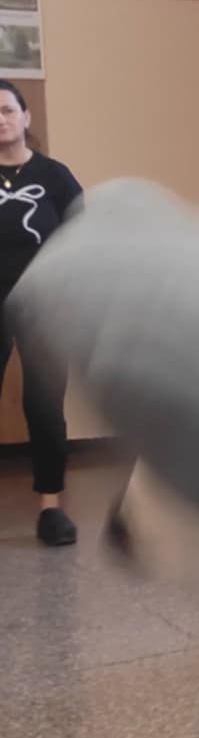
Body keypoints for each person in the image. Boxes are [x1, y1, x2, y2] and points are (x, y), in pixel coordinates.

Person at [0, 79, 83, 545]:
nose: (0, 119)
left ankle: (51, 508)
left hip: (46, 301)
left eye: (7, 110)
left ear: (25, 117)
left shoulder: (54, 176)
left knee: (45, 406)